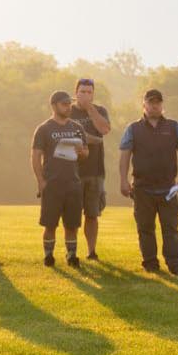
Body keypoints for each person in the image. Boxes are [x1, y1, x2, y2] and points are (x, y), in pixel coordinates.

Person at [118, 88, 178, 274]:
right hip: (142, 188)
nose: (155, 105)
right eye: (151, 102)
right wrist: (123, 181)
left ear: (162, 105)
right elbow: (125, 155)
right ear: (144, 104)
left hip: (168, 189)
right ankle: (150, 264)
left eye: (158, 102)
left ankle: (175, 265)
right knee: (145, 229)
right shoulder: (133, 129)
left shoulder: (174, 126)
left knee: (171, 230)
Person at [31, 90, 91, 267]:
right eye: (64, 104)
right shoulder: (44, 129)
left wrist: (82, 152)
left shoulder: (77, 128)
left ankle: (71, 255)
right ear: (54, 105)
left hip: (73, 182)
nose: (68, 107)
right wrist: (41, 181)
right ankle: (48, 255)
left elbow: (85, 153)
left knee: (72, 225)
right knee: (50, 224)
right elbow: (35, 156)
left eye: (69, 104)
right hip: (52, 183)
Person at [68, 78, 114, 261]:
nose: (86, 95)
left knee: (92, 214)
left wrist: (90, 109)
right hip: (72, 171)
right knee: (72, 214)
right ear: (76, 92)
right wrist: (91, 139)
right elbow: (67, 134)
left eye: (89, 92)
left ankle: (91, 251)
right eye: (82, 91)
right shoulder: (68, 110)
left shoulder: (99, 110)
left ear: (93, 94)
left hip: (95, 171)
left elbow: (104, 129)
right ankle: (72, 252)